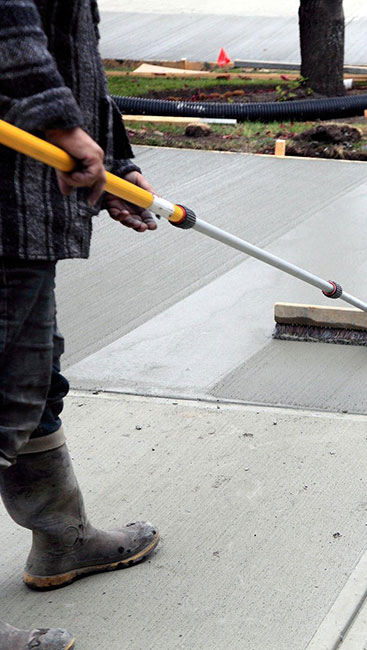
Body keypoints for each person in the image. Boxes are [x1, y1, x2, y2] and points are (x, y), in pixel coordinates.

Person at [1, 1, 161, 648]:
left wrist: (112, 156)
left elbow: (65, 47)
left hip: (27, 203)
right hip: (9, 201)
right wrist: (63, 127)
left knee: (32, 385)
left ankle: (62, 537)